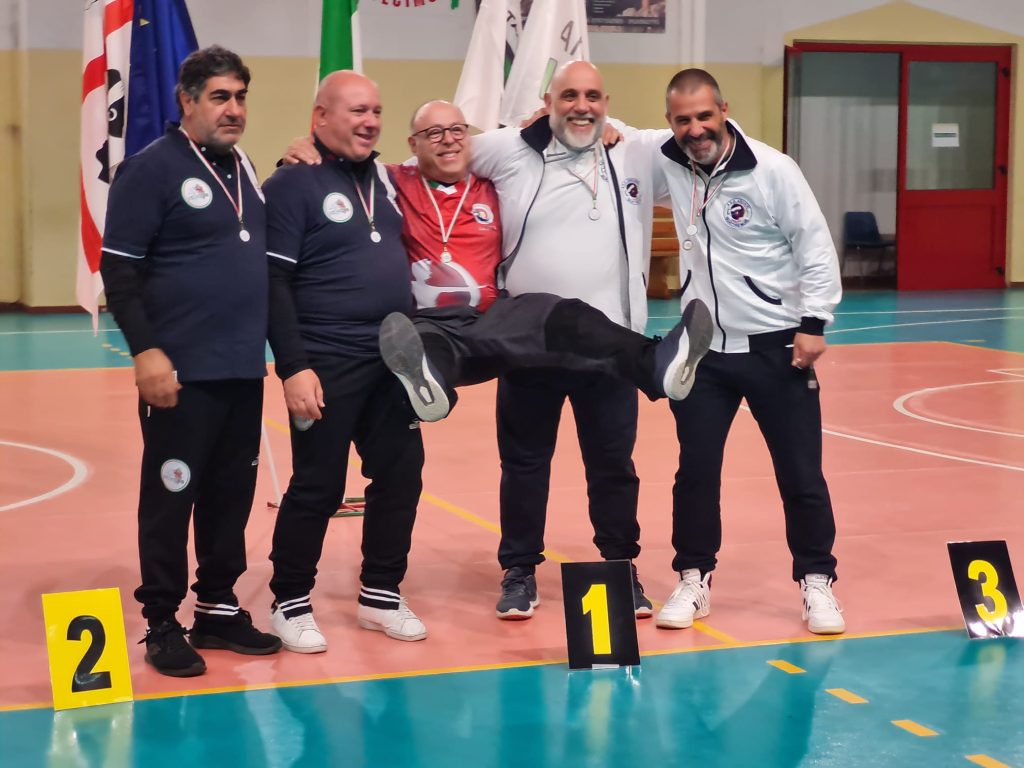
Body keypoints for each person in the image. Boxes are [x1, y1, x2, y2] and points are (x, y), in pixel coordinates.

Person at [285, 91, 713, 621]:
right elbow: (340, 169)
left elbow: (556, 141)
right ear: (412, 144)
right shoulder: (392, 183)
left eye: (457, 130)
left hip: (494, 321)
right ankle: (430, 385)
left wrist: (591, 128)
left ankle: (653, 365)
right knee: (449, 372)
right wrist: (301, 150)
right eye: (434, 133)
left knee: (553, 313)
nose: (448, 141)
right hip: (430, 325)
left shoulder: (495, 181)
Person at [464, 61, 682, 620]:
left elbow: (713, 137)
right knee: (523, 464)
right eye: (568, 96)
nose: (581, 106)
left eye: (592, 97)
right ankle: (519, 571)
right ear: (546, 102)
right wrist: (310, 154)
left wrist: (620, 128)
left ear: (607, 102)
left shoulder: (634, 152)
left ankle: (620, 566)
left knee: (613, 466)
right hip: (527, 344)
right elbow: (435, 153)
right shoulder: (508, 150)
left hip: (611, 349)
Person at [100, 45, 281, 678]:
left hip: (241, 368)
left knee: (231, 495)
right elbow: (119, 270)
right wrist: (146, 351)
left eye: (240, 97)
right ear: (187, 101)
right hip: (180, 374)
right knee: (171, 497)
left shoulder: (244, 167)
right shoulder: (150, 169)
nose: (234, 109)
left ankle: (218, 608)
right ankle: (160, 620)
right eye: (220, 97)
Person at [649, 69, 846, 635]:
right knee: (695, 472)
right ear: (670, 122)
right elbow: (606, 136)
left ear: (724, 110)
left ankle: (817, 581)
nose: (695, 129)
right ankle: (693, 578)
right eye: (682, 120)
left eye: (703, 116)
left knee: (800, 472)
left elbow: (814, 245)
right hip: (702, 353)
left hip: (776, 348)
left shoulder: (772, 170)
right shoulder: (667, 161)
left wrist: (814, 322)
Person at [264, 70, 427, 653]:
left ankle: (380, 592)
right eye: (357, 110)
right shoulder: (291, 184)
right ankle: (289, 599)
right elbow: (272, 282)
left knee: (402, 473)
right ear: (320, 118)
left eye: (376, 111)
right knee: (318, 483)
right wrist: (293, 366)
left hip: (391, 360)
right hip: (325, 360)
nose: (371, 121)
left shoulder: (387, 181)